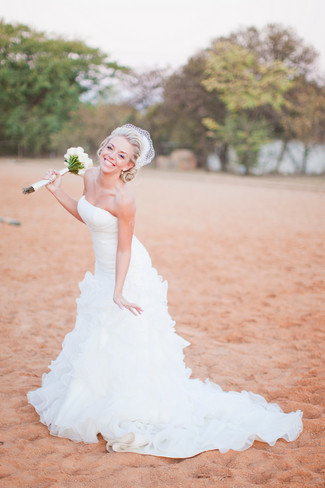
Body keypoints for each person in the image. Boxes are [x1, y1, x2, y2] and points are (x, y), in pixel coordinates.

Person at [27, 124, 303, 458]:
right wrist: (57, 191)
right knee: (99, 334)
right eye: (110, 149)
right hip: (102, 271)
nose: (112, 157)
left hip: (126, 273)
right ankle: (99, 395)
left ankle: (133, 404)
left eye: (122, 155)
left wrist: (118, 290)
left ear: (130, 165)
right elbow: (86, 216)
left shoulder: (124, 200)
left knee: (126, 334)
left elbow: (124, 249)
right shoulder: (89, 176)